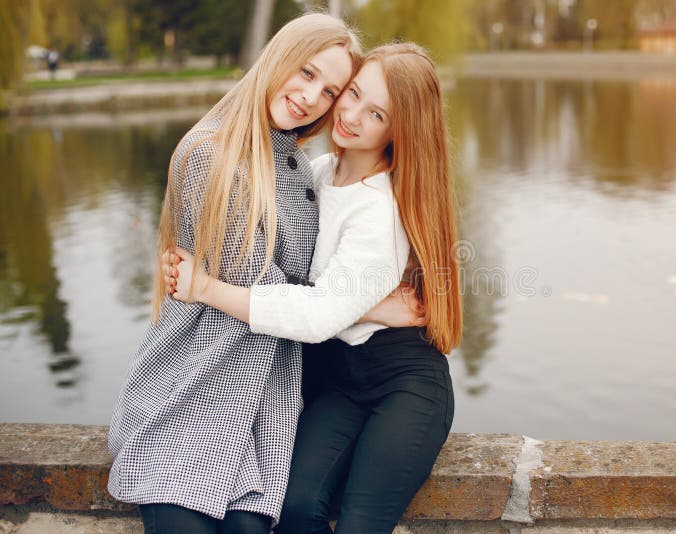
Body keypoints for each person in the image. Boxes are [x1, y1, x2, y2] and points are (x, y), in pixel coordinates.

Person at [165, 43, 462, 534]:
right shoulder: (315, 174)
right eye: (351, 94)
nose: (350, 115)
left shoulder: (379, 209)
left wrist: (206, 288)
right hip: (337, 380)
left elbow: (319, 314)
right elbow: (291, 275)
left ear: (398, 130)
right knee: (295, 510)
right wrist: (370, 308)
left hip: (402, 384)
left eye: (377, 114)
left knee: (360, 524)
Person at [107, 13, 365, 534]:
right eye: (307, 72)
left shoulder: (296, 164)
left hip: (263, 409)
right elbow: (257, 284)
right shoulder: (212, 153)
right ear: (279, 57)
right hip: (195, 393)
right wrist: (363, 298)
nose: (312, 97)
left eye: (330, 90)